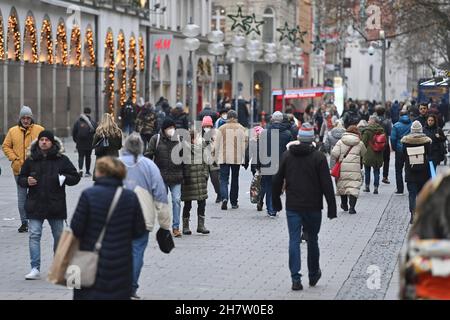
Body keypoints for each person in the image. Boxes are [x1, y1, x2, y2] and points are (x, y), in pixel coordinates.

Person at [272, 123, 337, 291]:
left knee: (294, 240)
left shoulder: (287, 155)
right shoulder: (319, 157)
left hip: (293, 205)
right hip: (314, 206)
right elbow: (326, 184)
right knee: (312, 240)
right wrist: (332, 207)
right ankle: (314, 274)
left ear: (299, 138)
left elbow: (277, 179)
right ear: (312, 139)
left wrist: (276, 201)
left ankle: (295, 278)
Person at [70, 156, 146, 299]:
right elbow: (139, 231)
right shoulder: (130, 197)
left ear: (101, 173)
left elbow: (76, 227)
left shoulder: (88, 195)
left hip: (90, 259)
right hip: (121, 262)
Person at [18, 130, 80, 280]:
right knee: (34, 235)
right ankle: (35, 268)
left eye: (47, 140)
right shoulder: (31, 160)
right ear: (38, 142)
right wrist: (27, 181)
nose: (44, 142)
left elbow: (75, 177)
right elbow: (21, 178)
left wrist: (64, 178)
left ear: (52, 142)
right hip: (35, 204)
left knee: (58, 237)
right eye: (41, 139)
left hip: (55, 205)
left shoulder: (61, 159)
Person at [119, 133, 170, 299]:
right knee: (137, 251)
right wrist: (164, 224)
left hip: (118, 216)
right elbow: (161, 194)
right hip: (143, 216)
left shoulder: (115, 164)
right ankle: (131, 286)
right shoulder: (149, 166)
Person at [2, 106, 44, 233]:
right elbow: (6, 146)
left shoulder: (39, 130)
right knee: (22, 197)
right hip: (19, 170)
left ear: (31, 118)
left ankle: (35, 221)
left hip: (35, 170)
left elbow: (46, 144)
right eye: (23, 118)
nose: (26, 120)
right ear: (20, 118)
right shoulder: (12, 131)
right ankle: (24, 222)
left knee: (35, 195)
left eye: (28, 117)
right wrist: (14, 158)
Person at [145, 118, 184, 237]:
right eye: (169, 128)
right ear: (164, 129)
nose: (171, 130)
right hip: (160, 176)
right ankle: (164, 227)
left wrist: (186, 176)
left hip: (176, 176)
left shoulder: (179, 139)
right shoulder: (155, 139)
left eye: (173, 128)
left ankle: (176, 227)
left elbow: (185, 159)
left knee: (176, 200)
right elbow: (148, 156)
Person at [260, 111, 293, 217]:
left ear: (272, 119)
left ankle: (271, 209)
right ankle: (273, 207)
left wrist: (257, 164)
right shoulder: (288, 134)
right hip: (281, 164)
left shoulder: (265, 132)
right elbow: (290, 150)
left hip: (267, 163)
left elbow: (260, 149)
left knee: (268, 185)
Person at [216, 110, 248, 210]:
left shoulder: (221, 128)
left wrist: (215, 155)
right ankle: (234, 202)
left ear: (228, 117)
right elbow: (245, 144)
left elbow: (216, 144)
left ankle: (224, 198)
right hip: (236, 158)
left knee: (223, 179)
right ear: (236, 117)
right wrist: (244, 157)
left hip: (224, 157)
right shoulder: (242, 128)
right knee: (235, 179)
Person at [401, 121, 432, 224]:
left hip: (410, 171)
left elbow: (403, 154)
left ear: (412, 129)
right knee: (422, 194)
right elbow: (429, 153)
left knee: (412, 194)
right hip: (424, 172)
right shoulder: (426, 141)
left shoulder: (406, 141)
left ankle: (413, 214)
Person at [331, 126, 367, 214]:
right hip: (355, 168)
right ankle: (352, 208)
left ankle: (344, 205)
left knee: (343, 185)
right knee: (353, 187)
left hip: (342, 167)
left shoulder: (340, 142)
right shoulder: (360, 143)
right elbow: (364, 153)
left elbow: (334, 153)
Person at [181, 130, 210, 235]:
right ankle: (185, 226)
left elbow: (206, 163)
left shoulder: (202, 148)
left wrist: (205, 175)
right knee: (187, 204)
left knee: (202, 203)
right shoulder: (184, 149)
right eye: (196, 138)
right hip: (189, 182)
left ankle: (201, 225)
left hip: (200, 180)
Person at [362, 115, 385, 194]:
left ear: (372, 121)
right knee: (376, 171)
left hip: (368, 154)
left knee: (367, 171)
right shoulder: (381, 130)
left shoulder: (367, 131)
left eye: (369, 120)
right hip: (378, 154)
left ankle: (367, 187)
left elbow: (363, 143)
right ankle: (376, 188)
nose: (368, 121)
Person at [390, 110, 412, 195]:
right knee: (409, 169)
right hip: (410, 149)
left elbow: (392, 138)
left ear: (400, 116)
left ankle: (400, 189)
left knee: (398, 170)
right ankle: (410, 187)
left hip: (400, 149)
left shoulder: (396, 125)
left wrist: (395, 148)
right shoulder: (412, 124)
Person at [72, 107, 97, 177]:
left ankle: (80, 170)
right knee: (88, 157)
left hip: (80, 142)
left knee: (80, 156)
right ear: (90, 113)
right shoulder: (92, 122)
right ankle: (87, 171)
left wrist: (76, 141)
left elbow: (74, 132)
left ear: (83, 112)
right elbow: (96, 131)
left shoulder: (77, 122)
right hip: (89, 142)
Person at [202, 116, 221, 203]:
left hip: (214, 159)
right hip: (204, 160)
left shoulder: (216, 133)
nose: (207, 128)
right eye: (205, 126)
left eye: (208, 126)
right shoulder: (200, 134)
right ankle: (203, 196)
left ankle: (219, 194)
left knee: (215, 179)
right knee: (203, 178)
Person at [375, 106, 392, 185]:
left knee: (376, 159)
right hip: (385, 143)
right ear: (384, 112)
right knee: (386, 160)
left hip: (375, 142)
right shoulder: (387, 121)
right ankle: (385, 177)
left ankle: (376, 176)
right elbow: (389, 132)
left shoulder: (374, 120)